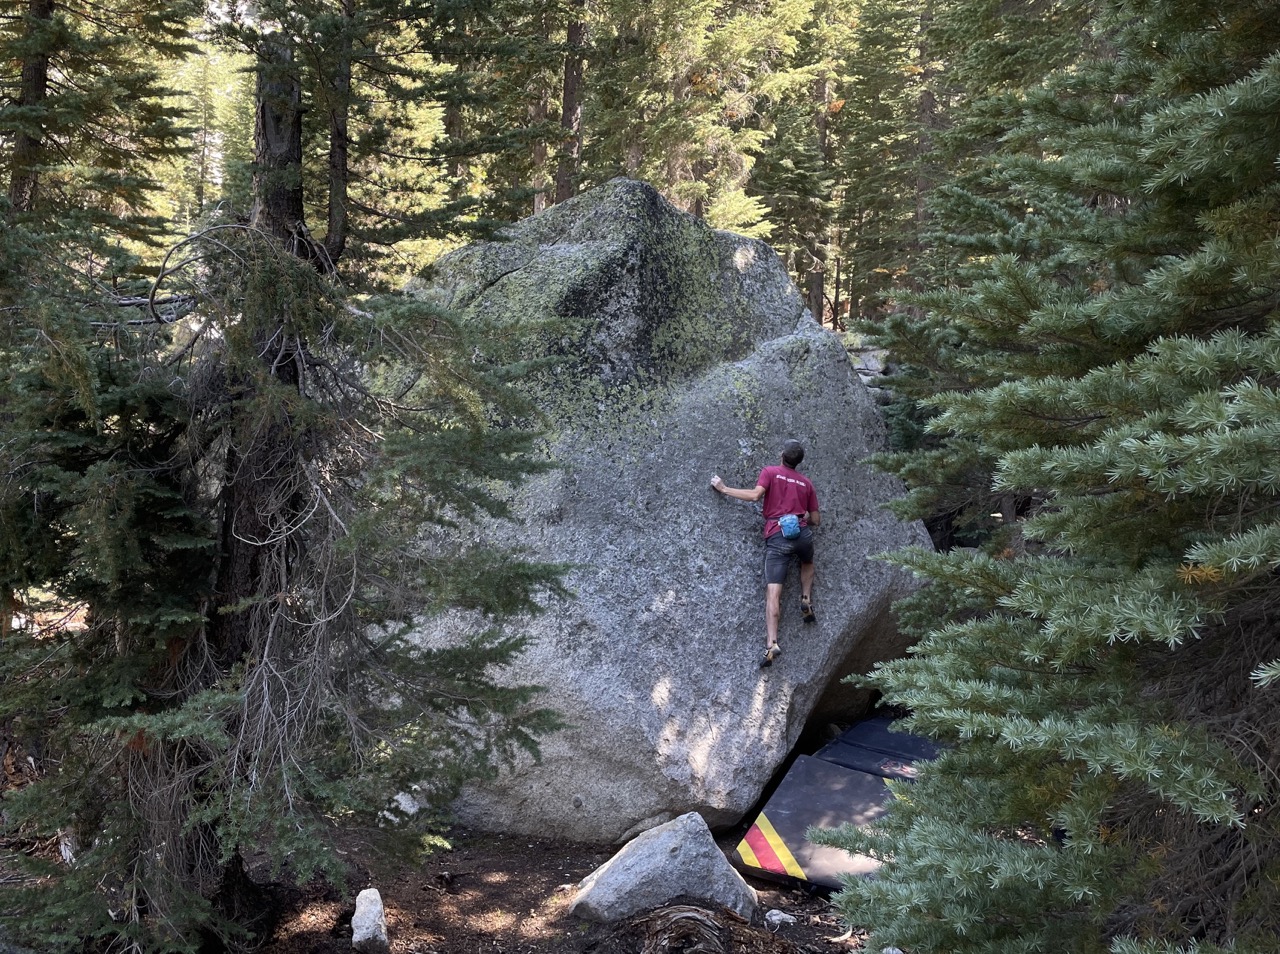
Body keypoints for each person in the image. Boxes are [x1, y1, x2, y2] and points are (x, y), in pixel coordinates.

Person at [710, 439, 820, 668]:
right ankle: (806, 599)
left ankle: (772, 644)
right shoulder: (806, 483)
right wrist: (801, 518)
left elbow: (754, 495)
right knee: (807, 561)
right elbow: (816, 520)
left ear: (782, 454)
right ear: (799, 461)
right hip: (801, 533)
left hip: (777, 534)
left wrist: (723, 488)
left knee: (773, 593)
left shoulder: (770, 472)